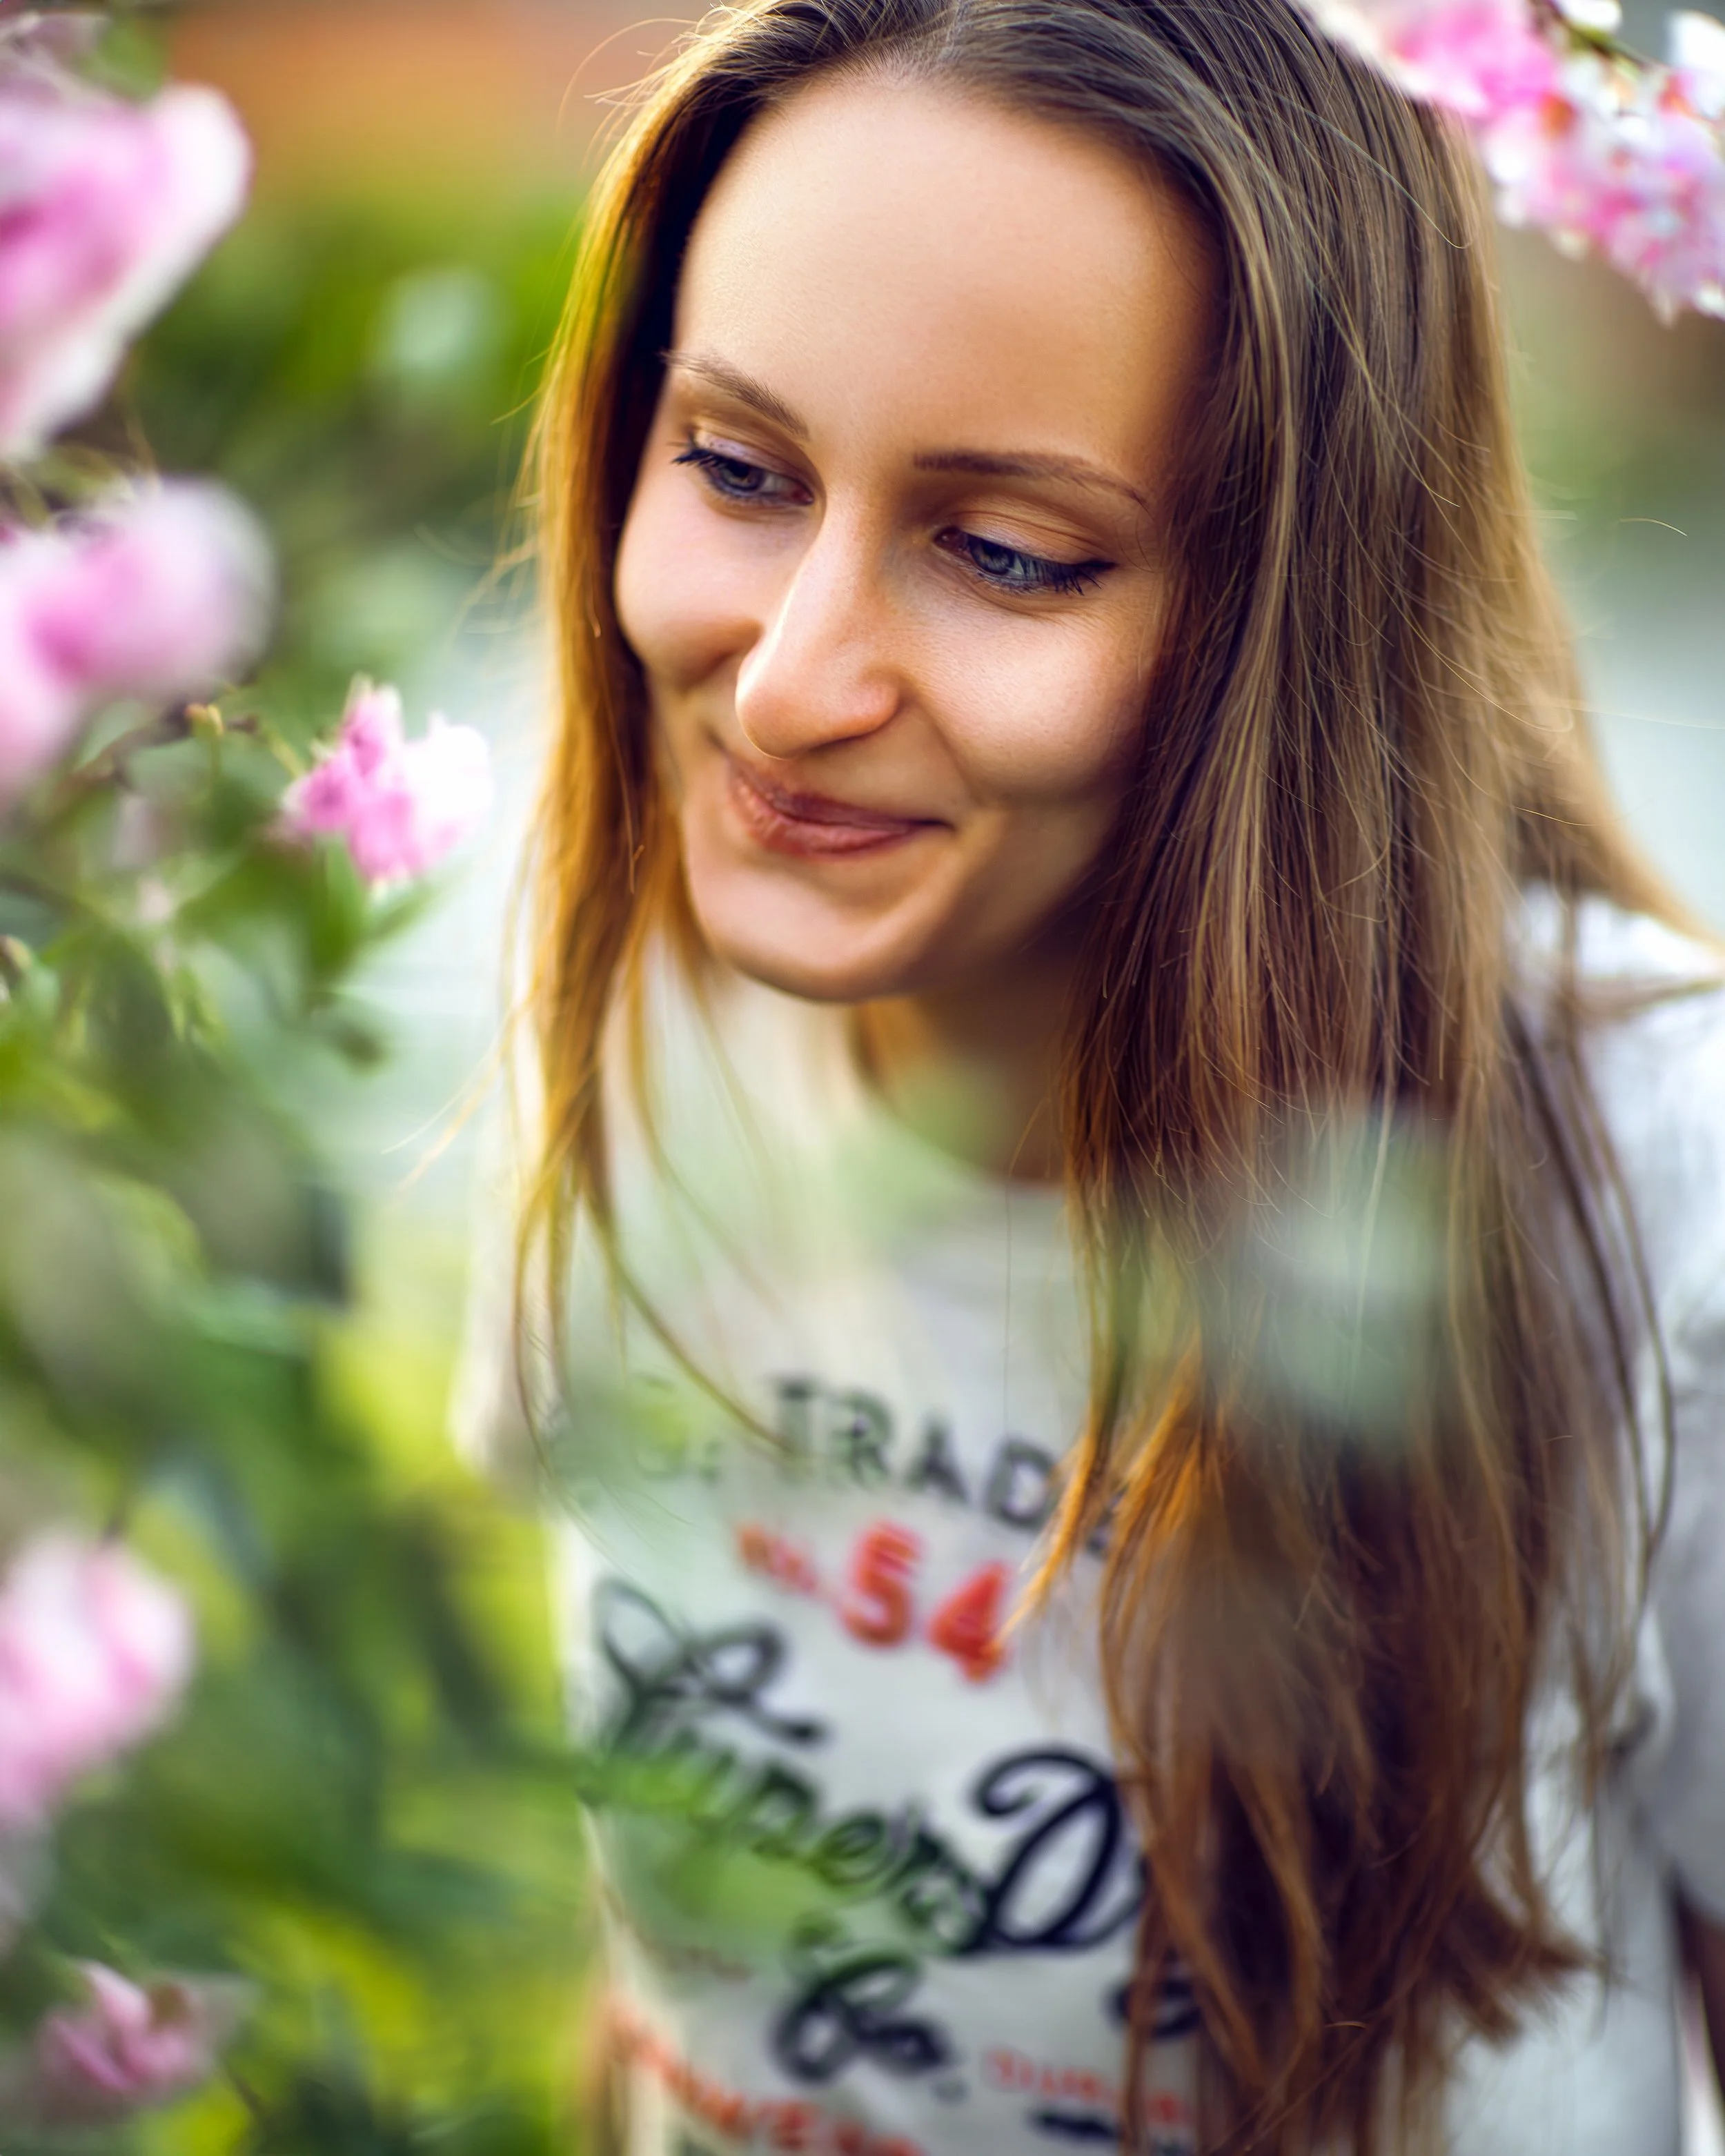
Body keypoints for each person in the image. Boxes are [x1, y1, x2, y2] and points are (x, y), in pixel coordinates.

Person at [460, 1, 1725, 2149]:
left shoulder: (1653, 1178)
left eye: (1010, 552)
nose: (783, 687)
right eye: (738, 469)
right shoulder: (663, 979)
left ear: (1295, 619)